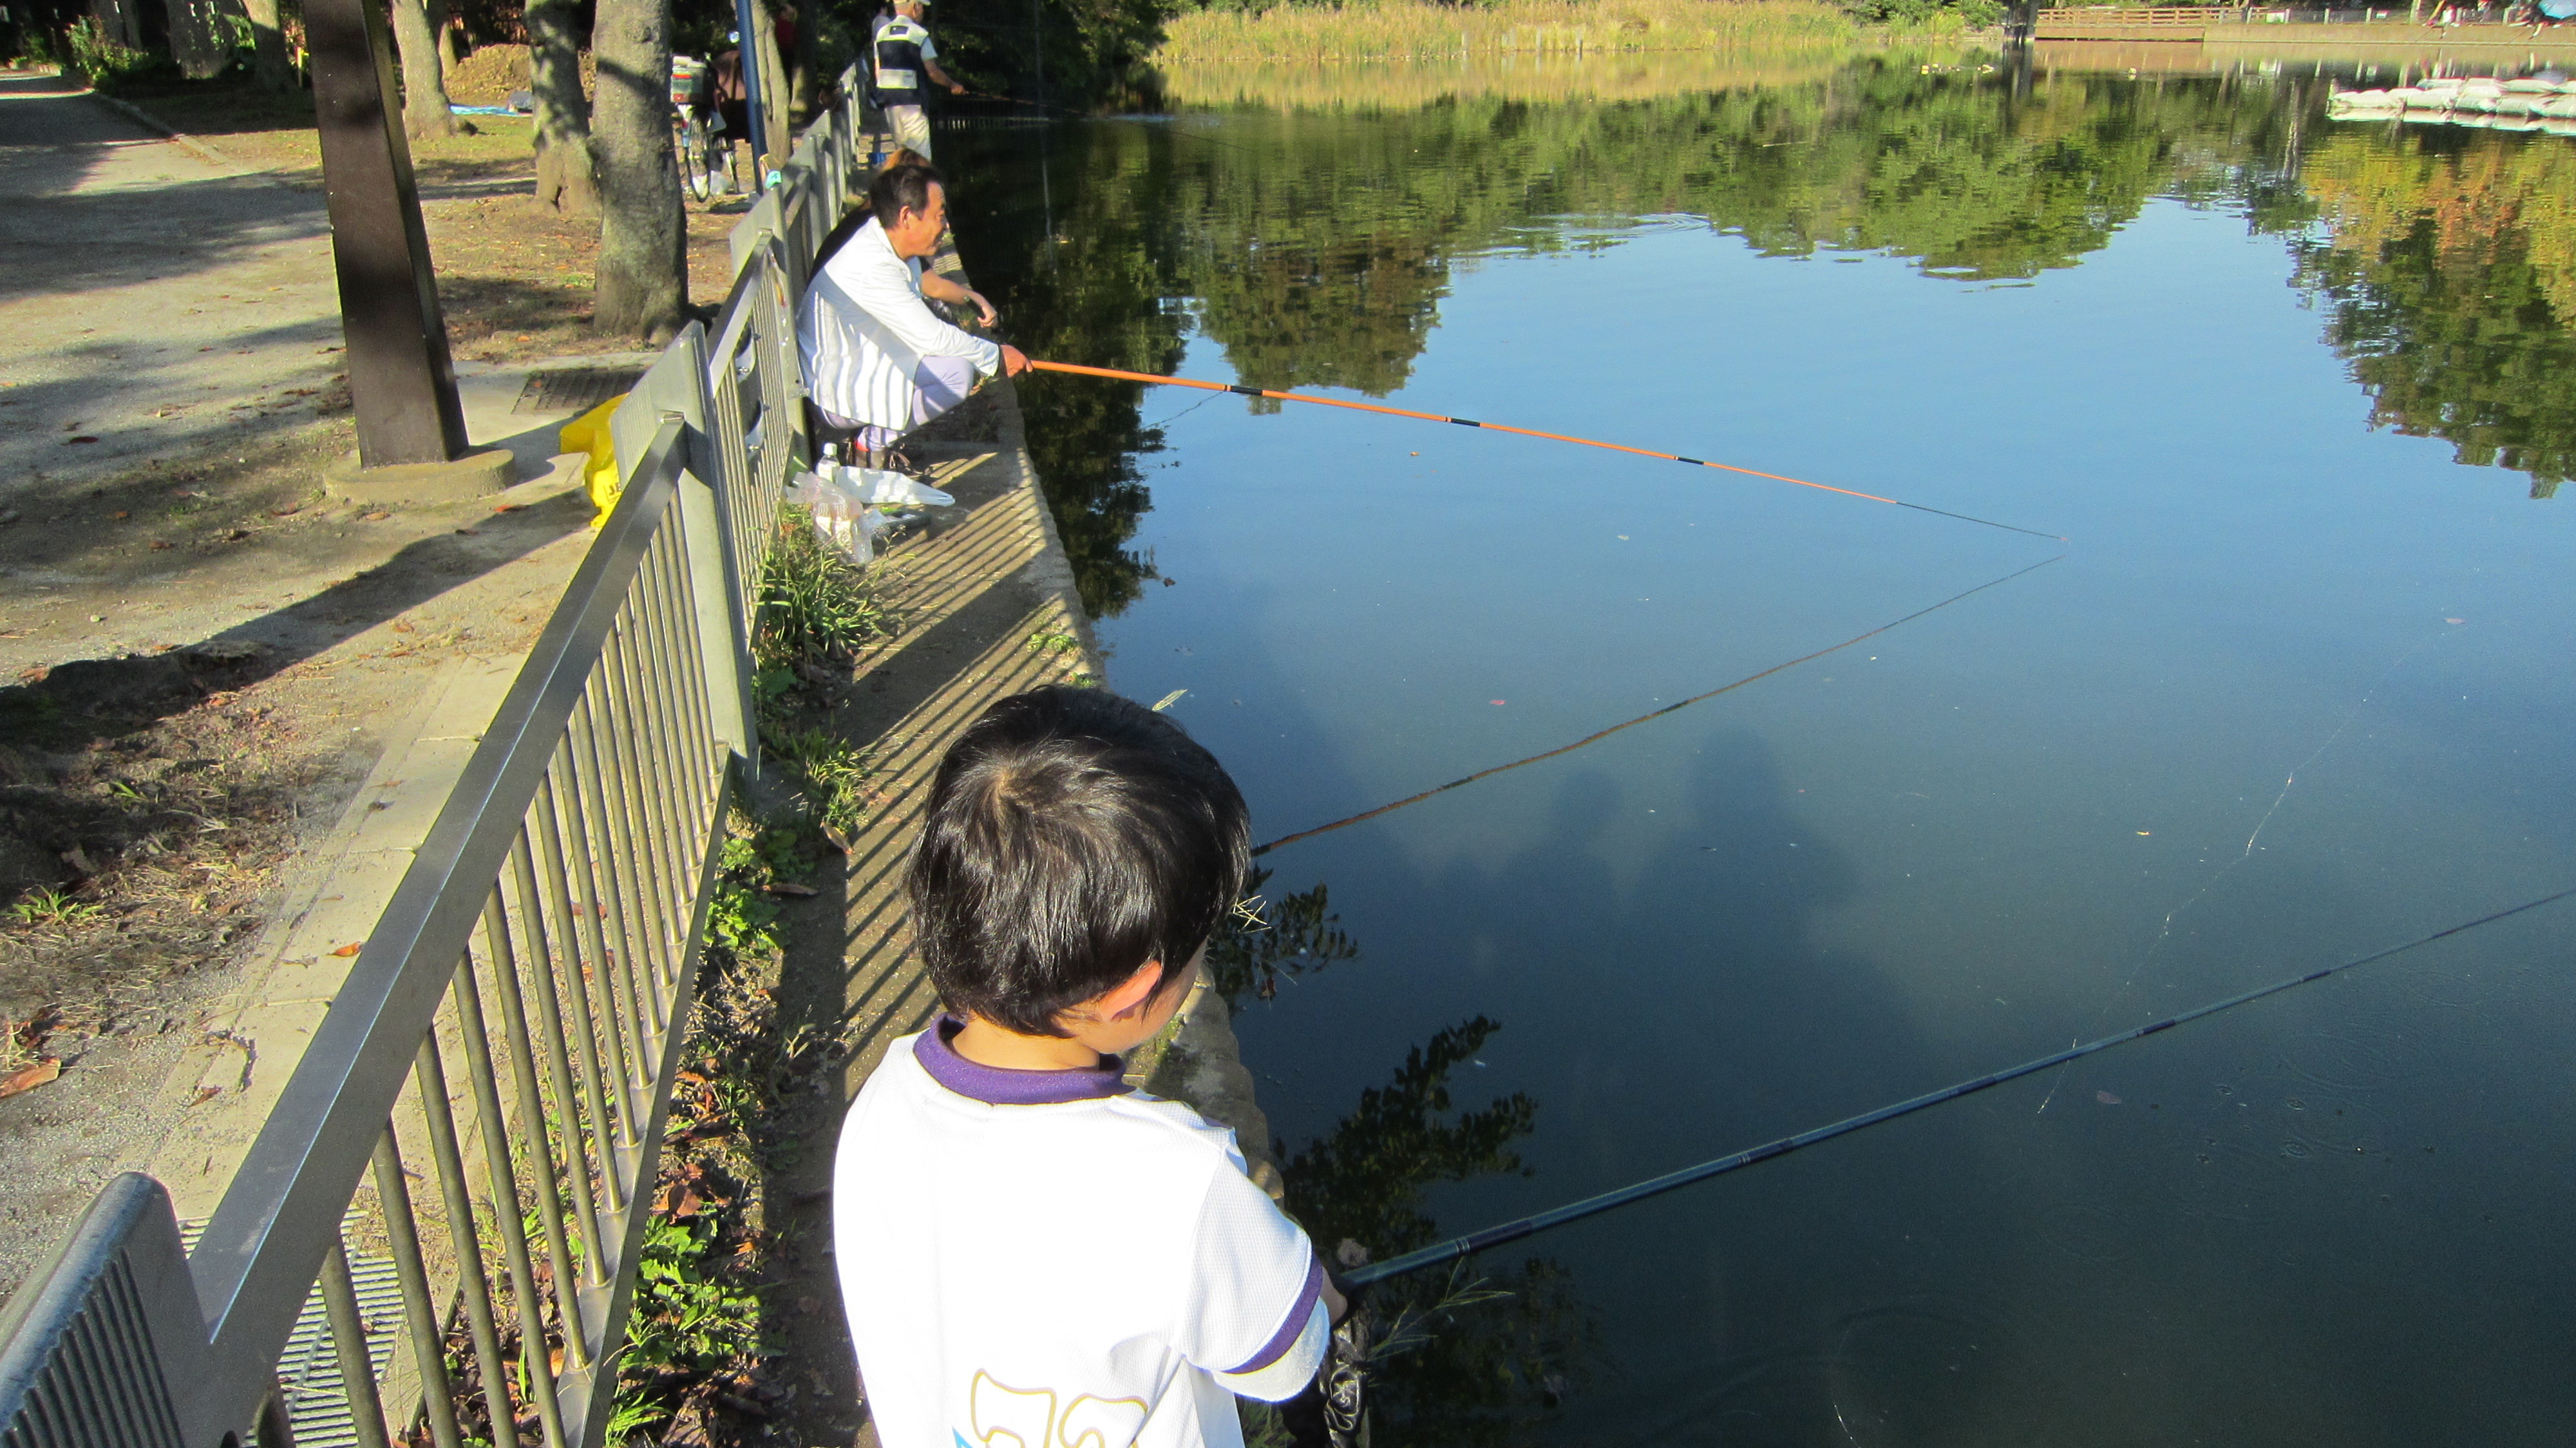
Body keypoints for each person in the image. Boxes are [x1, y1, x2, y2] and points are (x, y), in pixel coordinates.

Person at [831, 685, 1350, 1448]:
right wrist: (1330, 1302)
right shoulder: (1182, 1181)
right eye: (1198, 950)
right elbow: (1283, 1353)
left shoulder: (883, 1100)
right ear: (1136, 991)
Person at [799, 158, 1028, 465]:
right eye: (940, 216)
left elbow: (927, 314)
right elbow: (933, 338)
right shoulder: (872, 264)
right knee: (954, 374)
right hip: (835, 391)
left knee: (957, 370)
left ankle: (870, 443)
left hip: (861, 363)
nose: (946, 227)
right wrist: (997, 356)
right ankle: (869, 447)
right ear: (908, 216)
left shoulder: (887, 241)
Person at [871, 0, 962, 160]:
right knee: (921, 161)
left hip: (890, 104)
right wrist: (953, 85)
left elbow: (879, 71)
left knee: (902, 157)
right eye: (921, 6)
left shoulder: (882, 33)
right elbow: (933, 73)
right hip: (913, 105)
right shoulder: (918, 34)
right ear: (915, 7)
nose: (922, 11)